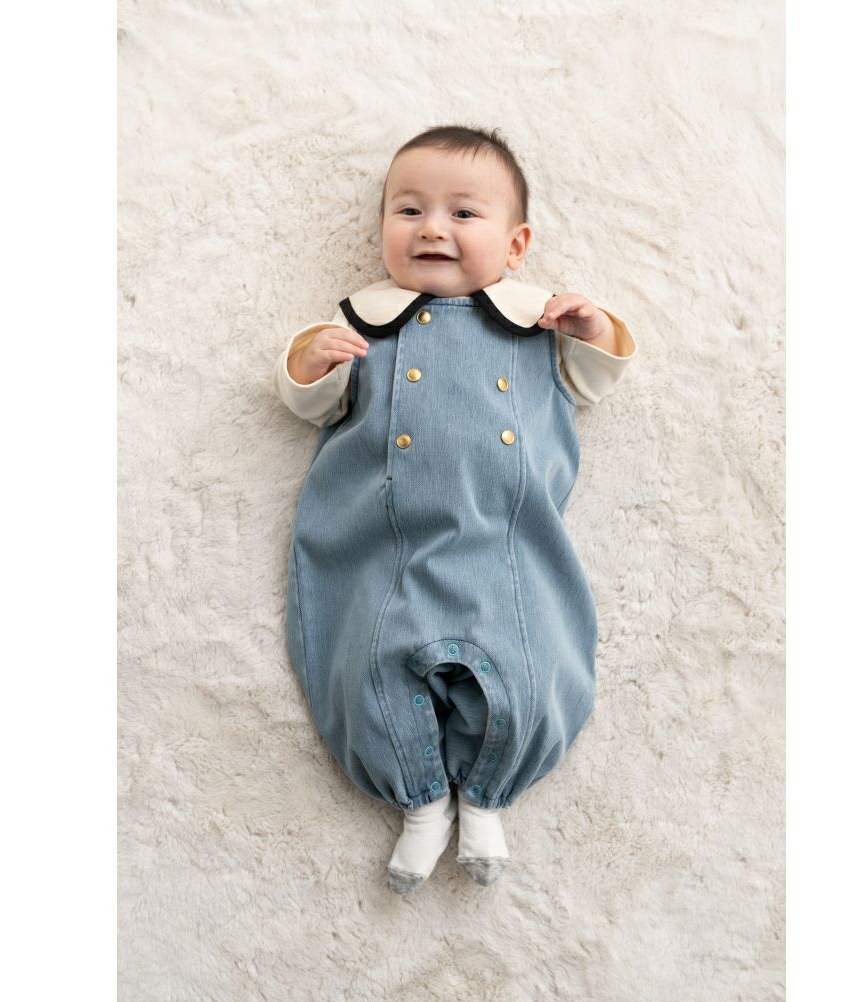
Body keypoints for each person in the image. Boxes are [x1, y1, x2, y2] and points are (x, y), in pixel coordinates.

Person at [272, 125, 638, 894]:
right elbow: (310, 403)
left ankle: (487, 801)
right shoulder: (363, 321)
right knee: (370, 662)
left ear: (516, 245)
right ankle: (420, 805)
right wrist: (309, 363)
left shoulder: (537, 324)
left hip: (507, 546)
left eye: (463, 214)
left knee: (529, 666)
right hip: (385, 546)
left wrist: (595, 329)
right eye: (409, 211)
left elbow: (598, 377)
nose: (432, 228)